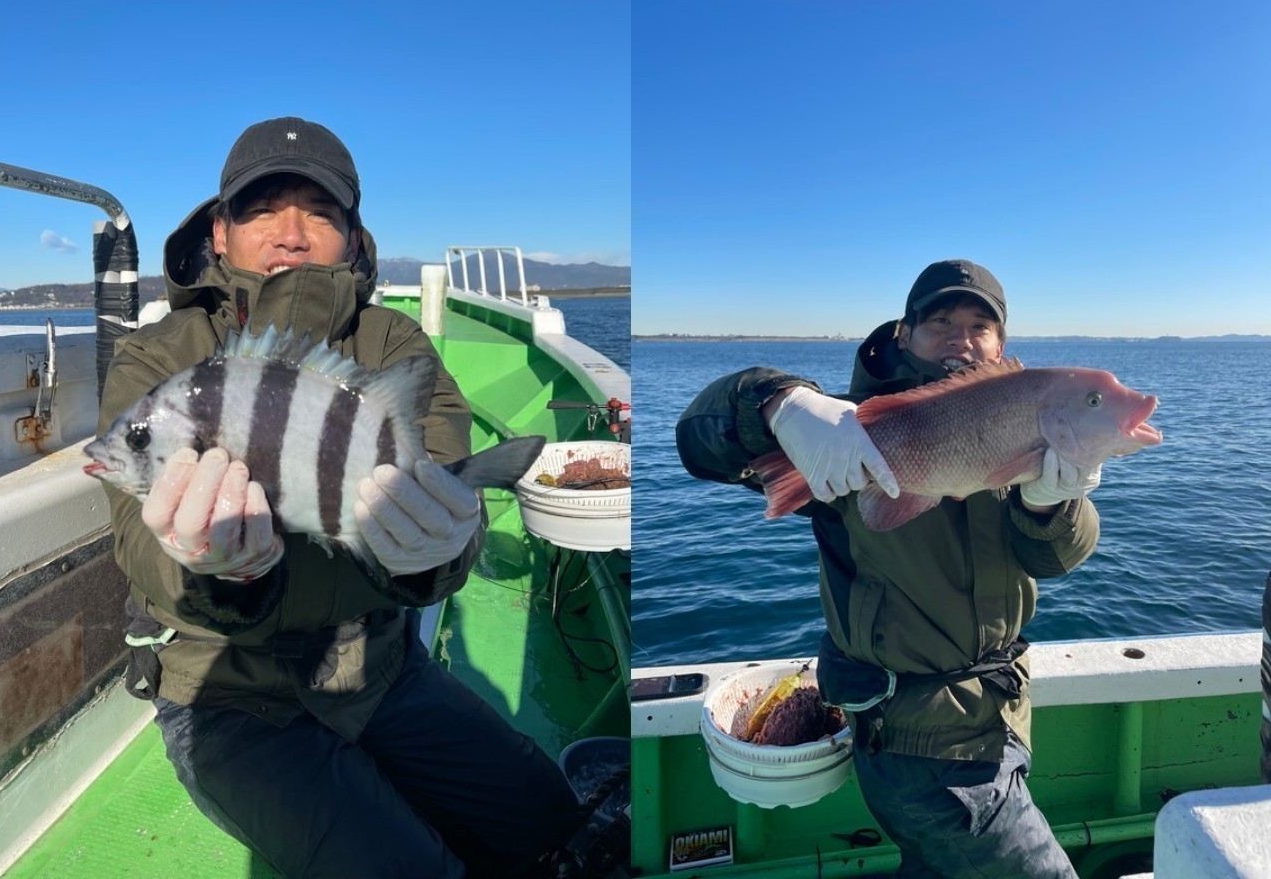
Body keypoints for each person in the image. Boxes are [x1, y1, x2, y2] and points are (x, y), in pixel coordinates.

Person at [98, 117, 582, 878]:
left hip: (380, 671)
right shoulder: (160, 358)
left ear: (354, 240)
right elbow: (134, 537)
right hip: (225, 699)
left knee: (553, 820)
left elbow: (440, 470)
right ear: (219, 233)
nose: (291, 233)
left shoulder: (392, 344)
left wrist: (438, 554)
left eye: (320, 211)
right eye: (262, 208)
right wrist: (207, 568)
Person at [675, 260, 1101, 879]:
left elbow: (1055, 559)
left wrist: (1053, 502)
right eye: (941, 321)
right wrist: (778, 403)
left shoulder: (1026, 418)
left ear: (1001, 344)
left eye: (981, 325)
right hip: (919, 741)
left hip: (996, 719)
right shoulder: (848, 430)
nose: (962, 338)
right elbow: (697, 440)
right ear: (904, 335)